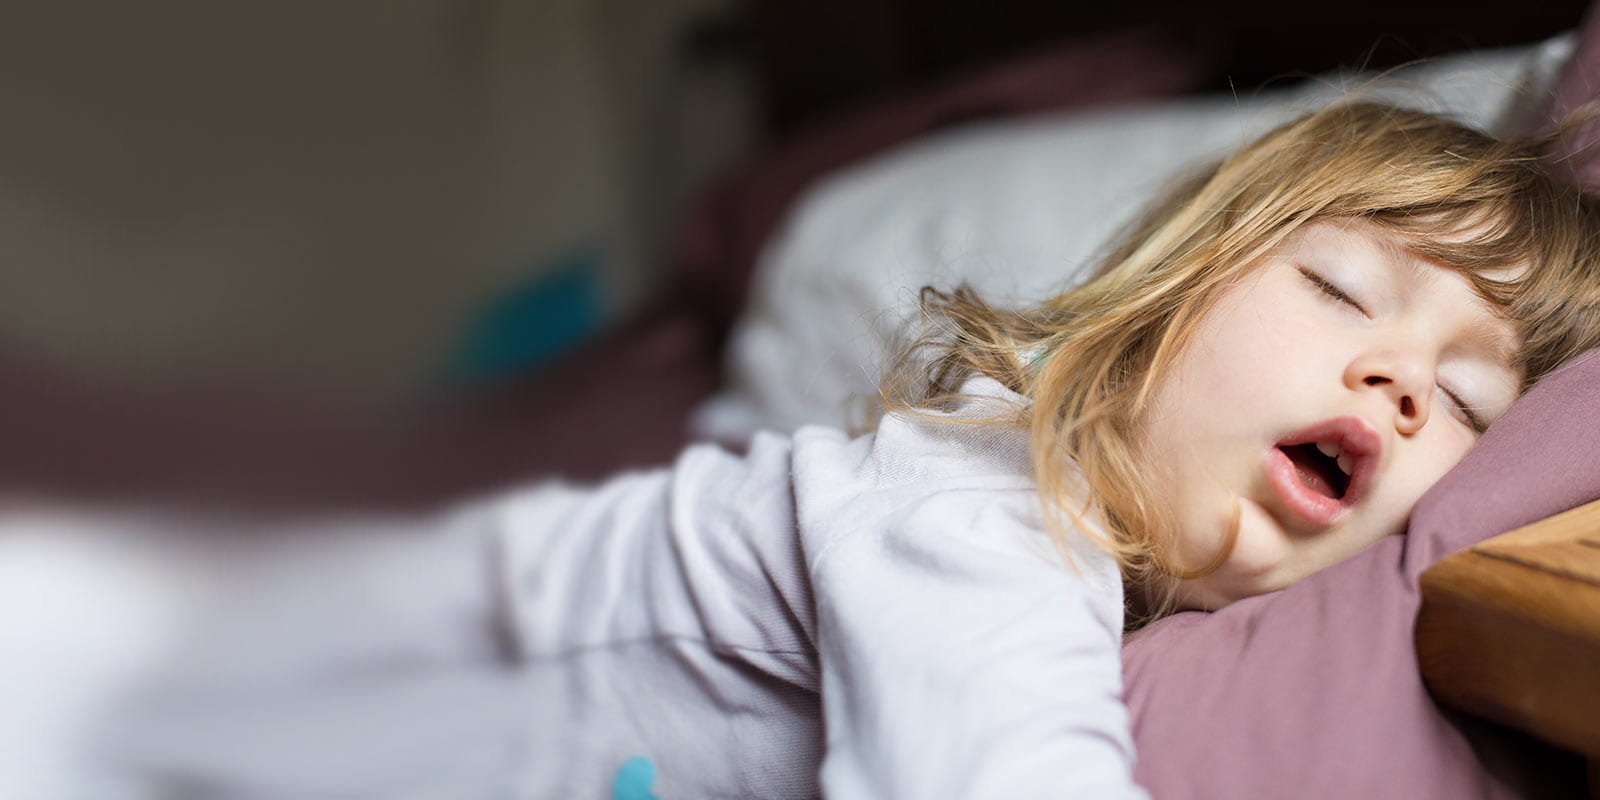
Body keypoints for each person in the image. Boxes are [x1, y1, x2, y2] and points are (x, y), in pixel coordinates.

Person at [89, 101, 1600, 798]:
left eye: (1468, 408)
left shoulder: (1155, 612)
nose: (1403, 385)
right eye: (1343, 291)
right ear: (1154, 313)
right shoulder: (984, 508)